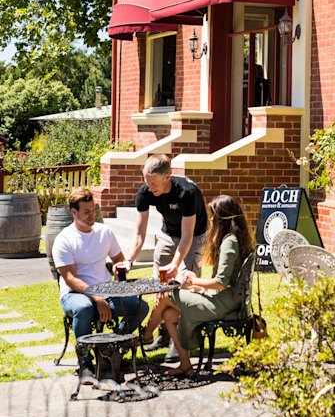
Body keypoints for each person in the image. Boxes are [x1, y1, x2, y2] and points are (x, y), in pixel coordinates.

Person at [142, 194, 254, 377]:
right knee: (169, 315)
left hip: (223, 304)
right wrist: (201, 288)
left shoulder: (229, 243)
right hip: (226, 299)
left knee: (166, 294)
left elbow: (221, 282)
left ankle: (145, 336)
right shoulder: (236, 239)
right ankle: (185, 365)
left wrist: (193, 281)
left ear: (222, 218)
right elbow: (225, 282)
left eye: (213, 216)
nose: (210, 220)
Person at [52, 188, 148, 384]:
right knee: (84, 308)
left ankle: (111, 348)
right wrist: (97, 298)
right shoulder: (64, 239)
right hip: (75, 294)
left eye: (93, 210)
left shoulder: (104, 232)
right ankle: (85, 363)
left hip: (106, 291)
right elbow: (70, 278)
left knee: (140, 306)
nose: (91, 216)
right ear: (74, 212)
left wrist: (120, 267)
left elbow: (119, 260)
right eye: (86, 212)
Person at [116, 155, 208, 353]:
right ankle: (163, 335)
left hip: (192, 236)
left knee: (184, 284)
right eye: (146, 182)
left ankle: (181, 341)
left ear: (168, 176)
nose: (149, 187)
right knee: (160, 287)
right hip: (168, 234)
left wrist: (176, 264)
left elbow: (187, 236)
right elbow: (139, 233)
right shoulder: (145, 192)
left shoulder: (187, 193)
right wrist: (129, 260)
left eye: (153, 183)